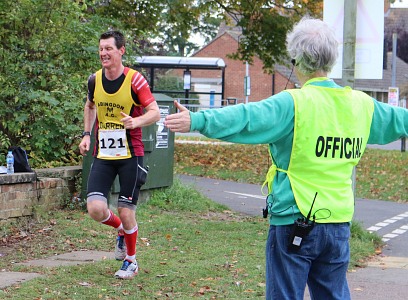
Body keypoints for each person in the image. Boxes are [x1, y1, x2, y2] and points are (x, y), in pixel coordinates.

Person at [164, 17, 408, 300]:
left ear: (296, 60)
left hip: (295, 219)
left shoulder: (294, 102)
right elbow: (401, 120)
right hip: (339, 222)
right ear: (331, 60)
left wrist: (197, 119)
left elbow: (246, 118)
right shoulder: (361, 105)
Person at [79, 30, 160, 279]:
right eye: (101, 48)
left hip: (130, 155)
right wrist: (85, 134)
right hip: (103, 153)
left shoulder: (135, 80)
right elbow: (90, 105)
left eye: (109, 49)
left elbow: (155, 112)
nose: (104, 53)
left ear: (121, 50)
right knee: (94, 208)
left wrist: (136, 123)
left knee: (127, 210)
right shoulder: (94, 80)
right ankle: (122, 231)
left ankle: (131, 261)